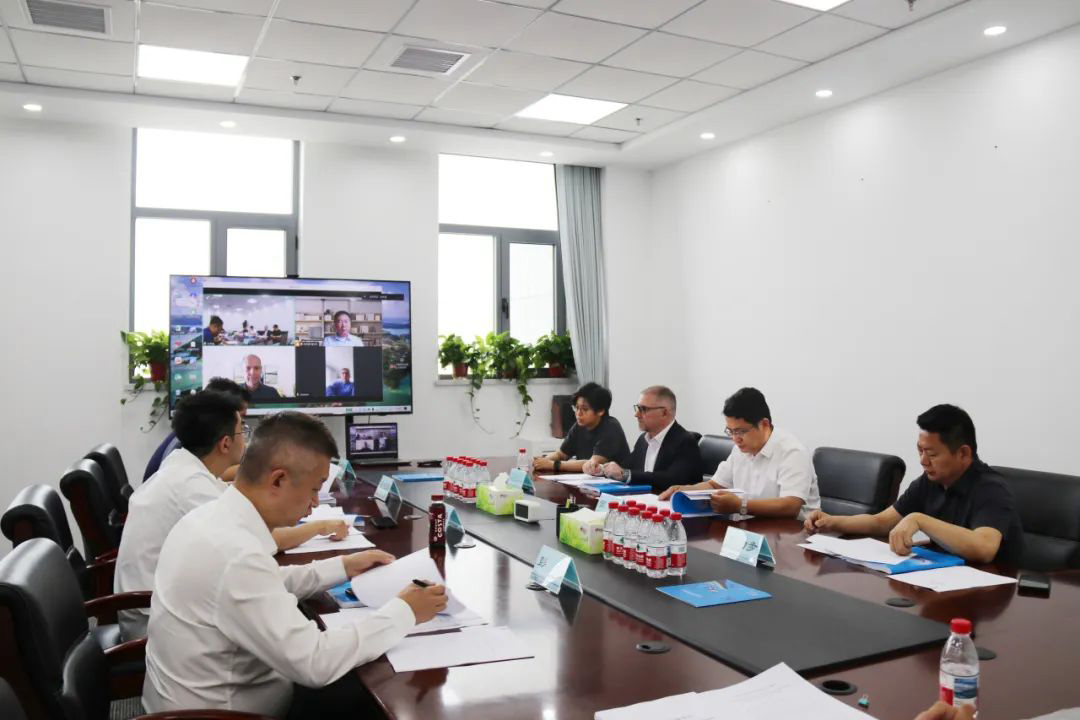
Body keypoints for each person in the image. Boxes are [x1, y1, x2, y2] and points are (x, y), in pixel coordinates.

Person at [142, 412, 447, 718]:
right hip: (227, 712)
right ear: (278, 479)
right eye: (314, 489)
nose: (315, 503)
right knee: (376, 696)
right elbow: (316, 662)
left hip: (195, 702)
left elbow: (266, 583)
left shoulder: (208, 519)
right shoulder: (236, 555)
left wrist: (342, 566)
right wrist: (405, 611)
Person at [805, 404, 1024, 564]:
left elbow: (984, 547)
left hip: (991, 592)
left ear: (963, 453)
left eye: (932, 454)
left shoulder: (991, 488)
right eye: (920, 451)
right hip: (943, 578)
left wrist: (920, 520)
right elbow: (881, 522)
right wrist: (832, 521)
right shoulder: (930, 481)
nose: (923, 461)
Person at [116, 391, 248, 640]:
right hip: (153, 626)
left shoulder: (184, 465)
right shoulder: (190, 485)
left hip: (162, 606)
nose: (246, 439)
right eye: (243, 431)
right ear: (225, 443)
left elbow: (234, 506)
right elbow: (248, 539)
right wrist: (319, 527)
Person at [659, 387, 820, 521]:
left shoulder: (792, 452)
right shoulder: (741, 449)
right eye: (731, 431)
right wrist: (685, 490)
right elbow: (715, 485)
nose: (735, 439)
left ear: (764, 424)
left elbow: (791, 506)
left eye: (741, 431)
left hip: (791, 536)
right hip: (747, 533)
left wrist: (741, 506)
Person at [585, 385, 703, 493]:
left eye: (643, 409)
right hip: (645, 501)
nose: (636, 414)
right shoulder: (643, 439)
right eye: (637, 408)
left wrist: (624, 474)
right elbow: (625, 467)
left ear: (664, 413)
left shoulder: (686, 441)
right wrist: (601, 469)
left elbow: (672, 479)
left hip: (671, 505)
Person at [142, 377, 250, 482]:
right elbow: (208, 476)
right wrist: (252, 469)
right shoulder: (186, 444)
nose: (241, 424)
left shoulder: (189, 434)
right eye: (240, 420)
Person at [533, 382, 630, 473]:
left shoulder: (611, 428)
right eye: (577, 408)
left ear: (600, 411)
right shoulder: (579, 426)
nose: (578, 413)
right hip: (587, 481)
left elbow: (592, 464)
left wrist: (553, 465)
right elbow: (561, 454)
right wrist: (542, 461)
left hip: (615, 483)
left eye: (585, 409)